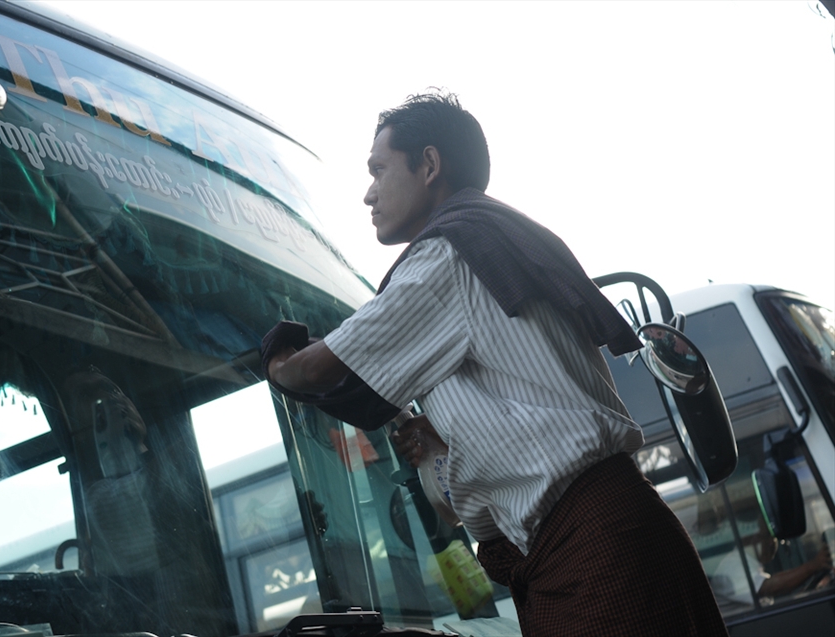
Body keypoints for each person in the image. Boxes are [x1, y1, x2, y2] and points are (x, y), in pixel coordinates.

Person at [263, 91, 728, 636]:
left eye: (379, 170)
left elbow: (316, 371)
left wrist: (273, 357)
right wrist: (444, 442)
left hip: (591, 552)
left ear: (430, 165)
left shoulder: (446, 255)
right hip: (603, 538)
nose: (369, 193)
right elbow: (521, 414)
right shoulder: (492, 236)